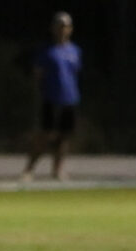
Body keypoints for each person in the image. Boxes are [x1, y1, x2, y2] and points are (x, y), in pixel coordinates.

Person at [21, 11, 82, 182]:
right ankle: (29, 168)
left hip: (69, 99)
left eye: (66, 26)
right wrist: (37, 95)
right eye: (59, 26)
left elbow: (75, 73)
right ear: (53, 28)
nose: (62, 30)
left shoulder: (75, 51)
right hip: (50, 98)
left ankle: (58, 169)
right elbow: (37, 75)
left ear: (70, 29)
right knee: (45, 135)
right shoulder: (46, 50)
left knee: (64, 136)